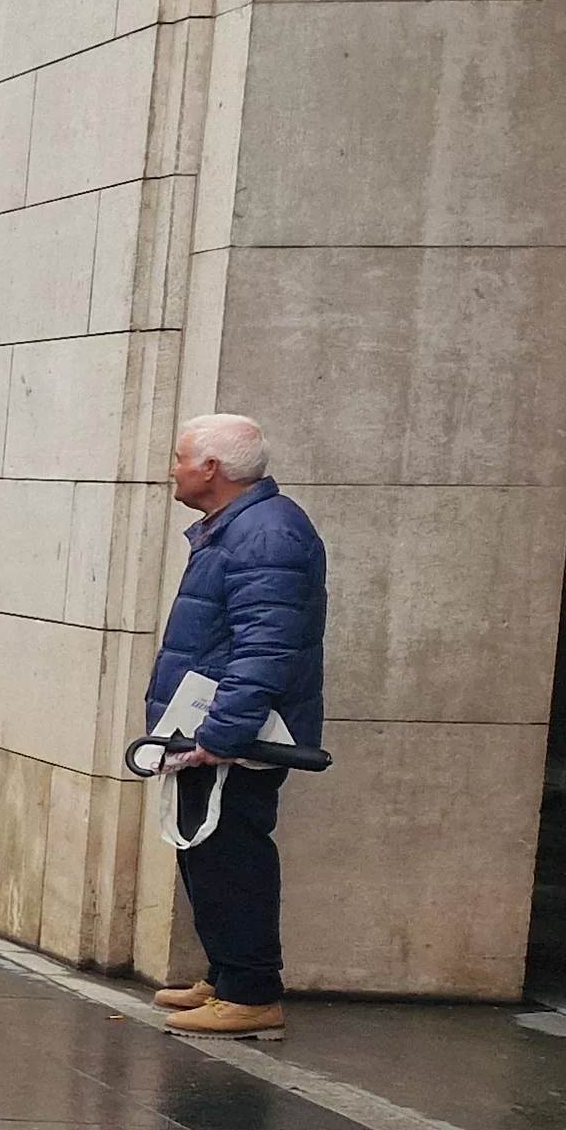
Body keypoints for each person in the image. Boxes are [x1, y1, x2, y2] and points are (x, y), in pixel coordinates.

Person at [145, 413, 324, 1040]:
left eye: (180, 458)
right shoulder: (244, 528)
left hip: (231, 735)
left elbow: (266, 648)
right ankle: (227, 978)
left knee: (233, 855)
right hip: (213, 729)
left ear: (211, 468)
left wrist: (220, 735)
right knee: (207, 852)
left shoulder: (265, 535)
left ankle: (250, 994)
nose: (173, 470)